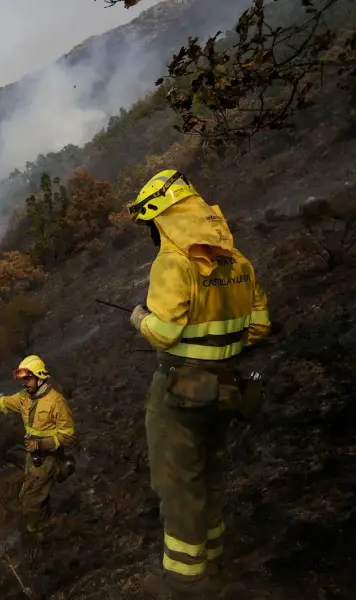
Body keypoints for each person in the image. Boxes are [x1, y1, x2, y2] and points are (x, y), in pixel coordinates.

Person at [125, 170, 270, 596]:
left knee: (177, 483)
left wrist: (138, 319)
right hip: (226, 389)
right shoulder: (239, 261)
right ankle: (214, 555)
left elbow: (164, 333)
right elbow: (259, 326)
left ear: (162, 219)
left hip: (180, 395)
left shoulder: (174, 264)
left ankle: (186, 580)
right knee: (209, 474)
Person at [0, 354, 77, 539]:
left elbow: (68, 434)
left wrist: (40, 444)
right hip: (32, 456)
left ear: (40, 376)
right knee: (40, 494)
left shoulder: (56, 402)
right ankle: (59, 479)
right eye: (22, 380)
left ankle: (40, 532)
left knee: (28, 498)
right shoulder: (24, 398)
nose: (25, 383)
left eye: (28, 379)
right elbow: (2, 404)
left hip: (48, 456)